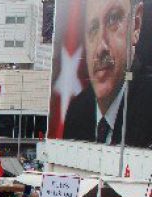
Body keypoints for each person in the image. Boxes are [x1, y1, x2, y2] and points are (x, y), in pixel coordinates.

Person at [62, 0, 152, 147]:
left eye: (113, 19)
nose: (100, 48)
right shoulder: (76, 111)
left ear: (135, 25)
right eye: (92, 29)